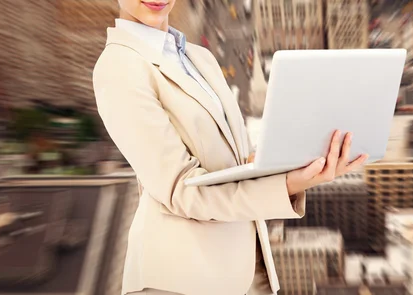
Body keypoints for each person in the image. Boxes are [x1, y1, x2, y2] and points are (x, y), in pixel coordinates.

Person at [92, 1, 368, 294]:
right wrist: (287, 184)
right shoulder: (118, 68)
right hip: (180, 281)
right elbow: (183, 191)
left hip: (242, 273)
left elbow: (233, 163)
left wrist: (300, 159)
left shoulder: (199, 57)